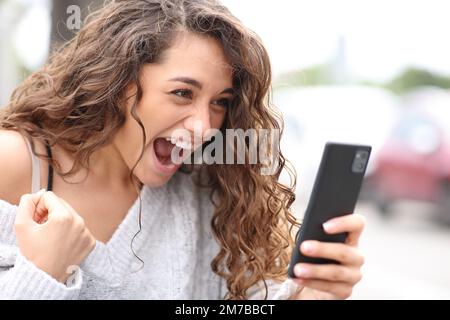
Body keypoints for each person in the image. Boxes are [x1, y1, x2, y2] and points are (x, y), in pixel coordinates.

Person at [0, 0, 365, 299]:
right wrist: (42, 274)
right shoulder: (14, 163)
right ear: (115, 82)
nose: (204, 127)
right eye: (182, 93)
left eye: (220, 102)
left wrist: (310, 295)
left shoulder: (201, 187)